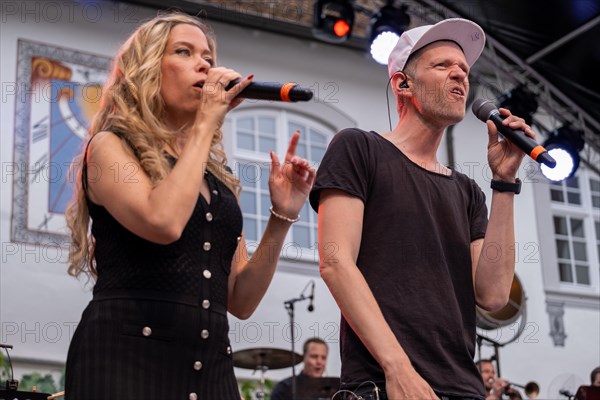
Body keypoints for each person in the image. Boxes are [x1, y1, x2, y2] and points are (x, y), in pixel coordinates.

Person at [64, 12, 315, 400]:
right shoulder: (110, 147)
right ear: (147, 69)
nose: (205, 65)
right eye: (184, 52)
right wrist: (204, 125)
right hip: (127, 358)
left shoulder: (215, 179)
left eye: (209, 58)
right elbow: (162, 221)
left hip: (210, 365)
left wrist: (282, 216)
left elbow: (241, 300)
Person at [310, 18, 535, 400]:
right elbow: (335, 263)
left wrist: (504, 183)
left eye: (463, 69)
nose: (459, 76)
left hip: (463, 388)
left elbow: (494, 295)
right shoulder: (359, 149)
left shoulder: (466, 191)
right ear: (403, 83)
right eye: (443, 65)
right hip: (385, 383)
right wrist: (398, 367)